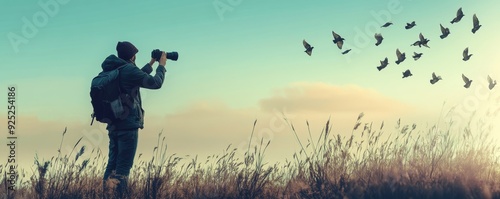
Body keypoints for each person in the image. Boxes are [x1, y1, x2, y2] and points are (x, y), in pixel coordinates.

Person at [101, 41, 167, 198]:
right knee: (123, 168)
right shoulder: (129, 70)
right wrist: (161, 66)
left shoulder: (117, 69)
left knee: (112, 165)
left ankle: (105, 194)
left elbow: (138, 76)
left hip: (114, 125)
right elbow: (155, 83)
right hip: (128, 126)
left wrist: (151, 62)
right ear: (132, 56)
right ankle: (120, 196)